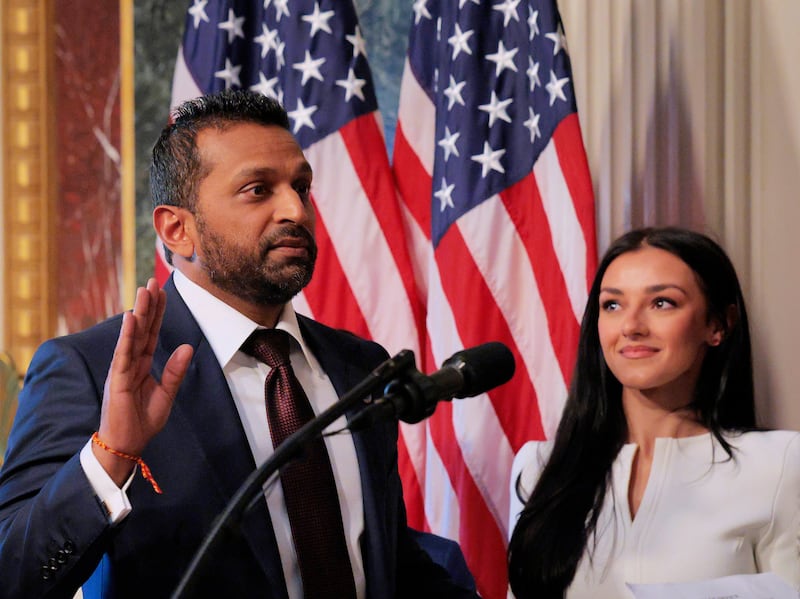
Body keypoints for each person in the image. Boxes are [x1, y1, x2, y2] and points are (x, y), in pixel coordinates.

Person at [0, 90, 477, 599]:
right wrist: (109, 459)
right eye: (257, 190)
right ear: (177, 230)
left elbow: (385, 564)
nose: (295, 209)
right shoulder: (89, 370)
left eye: (301, 186)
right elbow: (14, 577)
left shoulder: (360, 366)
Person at [507, 227, 800, 598]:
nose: (630, 326)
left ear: (718, 324)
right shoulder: (540, 467)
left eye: (662, 303)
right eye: (612, 305)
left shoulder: (779, 464)